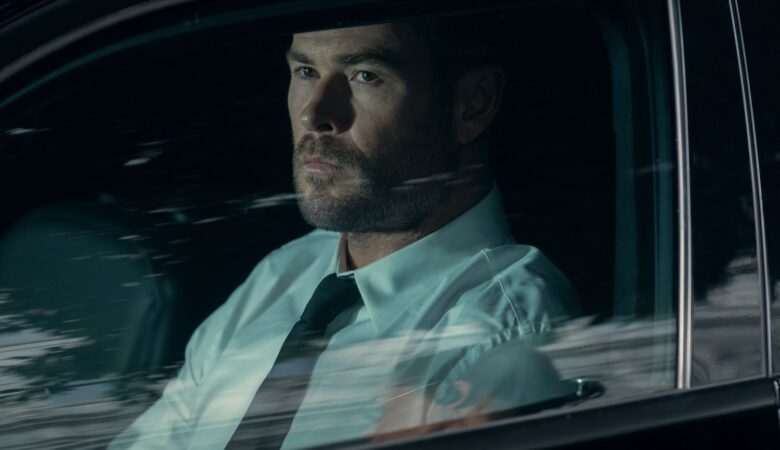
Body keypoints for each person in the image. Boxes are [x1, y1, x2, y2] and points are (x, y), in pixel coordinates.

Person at [110, 18, 579, 450]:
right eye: (306, 71)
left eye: (365, 76)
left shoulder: (503, 341)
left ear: (472, 104)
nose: (315, 114)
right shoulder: (286, 272)